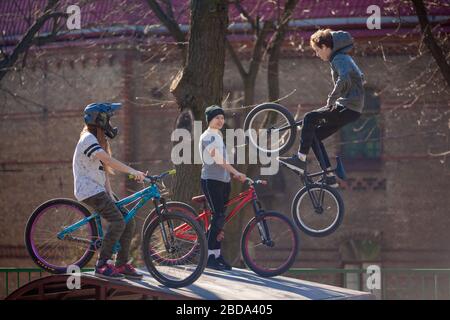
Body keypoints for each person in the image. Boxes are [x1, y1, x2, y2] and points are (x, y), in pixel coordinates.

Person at [277, 29, 365, 187]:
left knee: (309, 118)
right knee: (314, 136)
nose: (317, 54)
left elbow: (344, 78)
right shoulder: (344, 58)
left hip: (348, 108)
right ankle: (330, 176)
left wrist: (332, 98)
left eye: (317, 50)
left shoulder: (339, 58)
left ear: (325, 47)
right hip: (350, 109)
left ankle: (300, 159)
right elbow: (356, 78)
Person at [72, 102, 146, 280]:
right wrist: (133, 171)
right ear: (100, 119)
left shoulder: (97, 141)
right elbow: (109, 161)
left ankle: (121, 265)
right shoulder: (88, 139)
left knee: (128, 221)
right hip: (88, 190)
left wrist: (111, 195)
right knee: (118, 221)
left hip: (98, 190)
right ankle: (102, 264)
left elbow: (103, 174)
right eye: (109, 119)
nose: (111, 124)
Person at [199, 105, 247, 271]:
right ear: (209, 120)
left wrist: (230, 175)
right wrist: (235, 172)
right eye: (216, 118)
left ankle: (217, 255)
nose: (220, 120)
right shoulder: (207, 136)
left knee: (220, 219)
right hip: (211, 181)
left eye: (221, 117)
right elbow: (218, 158)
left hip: (223, 181)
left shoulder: (218, 135)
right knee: (218, 215)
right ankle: (208, 257)